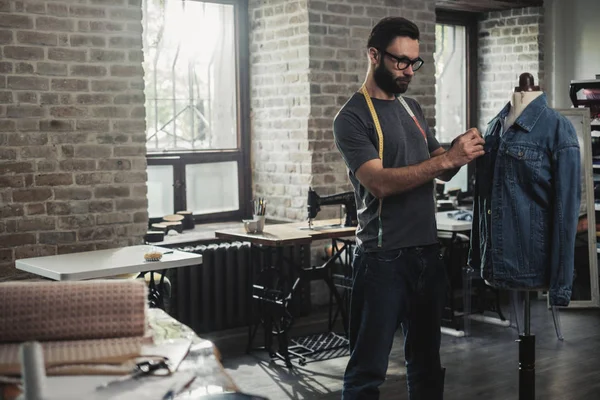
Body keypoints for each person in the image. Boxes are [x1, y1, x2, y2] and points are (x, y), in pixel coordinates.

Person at [333, 17, 485, 400]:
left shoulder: (412, 107)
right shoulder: (351, 117)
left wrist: (462, 150)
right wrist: (447, 160)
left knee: (427, 365)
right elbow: (380, 182)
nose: (408, 71)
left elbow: (441, 167)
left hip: (426, 255)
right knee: (367, 371)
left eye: (414, 63)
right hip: (382, 259)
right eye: (400, 61)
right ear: (374, 55)